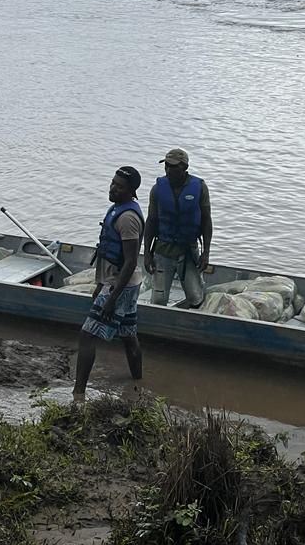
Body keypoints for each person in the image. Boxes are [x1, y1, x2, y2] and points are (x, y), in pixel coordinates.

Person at [74, 166, 145, 397]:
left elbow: (131, 261)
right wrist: (99, 284)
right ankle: (138, 385)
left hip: (120, 286)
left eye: (120, 187)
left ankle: (78, 393)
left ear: (131, 191)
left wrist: (111, 298)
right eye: (113, 183)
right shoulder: (117, 209)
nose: (113, 188)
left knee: (87, 336)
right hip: (120, 283)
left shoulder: (127, 218)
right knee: (128, 335)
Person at [143, 148, 212, 307]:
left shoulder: (199, 187)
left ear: (184, 167)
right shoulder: (157, 189)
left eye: (173, 166)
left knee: (195, 296)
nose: (168, 170)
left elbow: (206, 221)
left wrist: (206, 253)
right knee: (159, 299)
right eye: (166, 165)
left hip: (188, 250)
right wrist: (147, 253)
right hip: (163, 251)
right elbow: (151, 221)